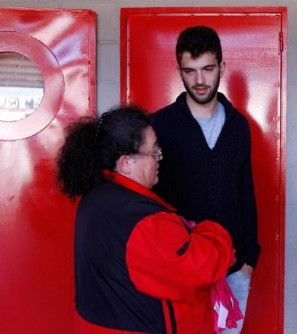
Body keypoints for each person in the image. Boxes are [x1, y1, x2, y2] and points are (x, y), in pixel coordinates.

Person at [57, 106, 234, 334]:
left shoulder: (96, 196)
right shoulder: (142, 221)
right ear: (125, 163)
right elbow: (201, 269)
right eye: (153, 152)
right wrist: (212, 231)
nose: (159, 158)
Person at [151, 26, 260, 332]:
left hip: (233, 267)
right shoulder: (159, 125)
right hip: (179, 269)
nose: (199, 81)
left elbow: (245, 191)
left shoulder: (238, 125)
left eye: (208, 69)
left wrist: (250, 257)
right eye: (190, 71)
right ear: (179, 71)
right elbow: (147, 198)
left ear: (221, 67)